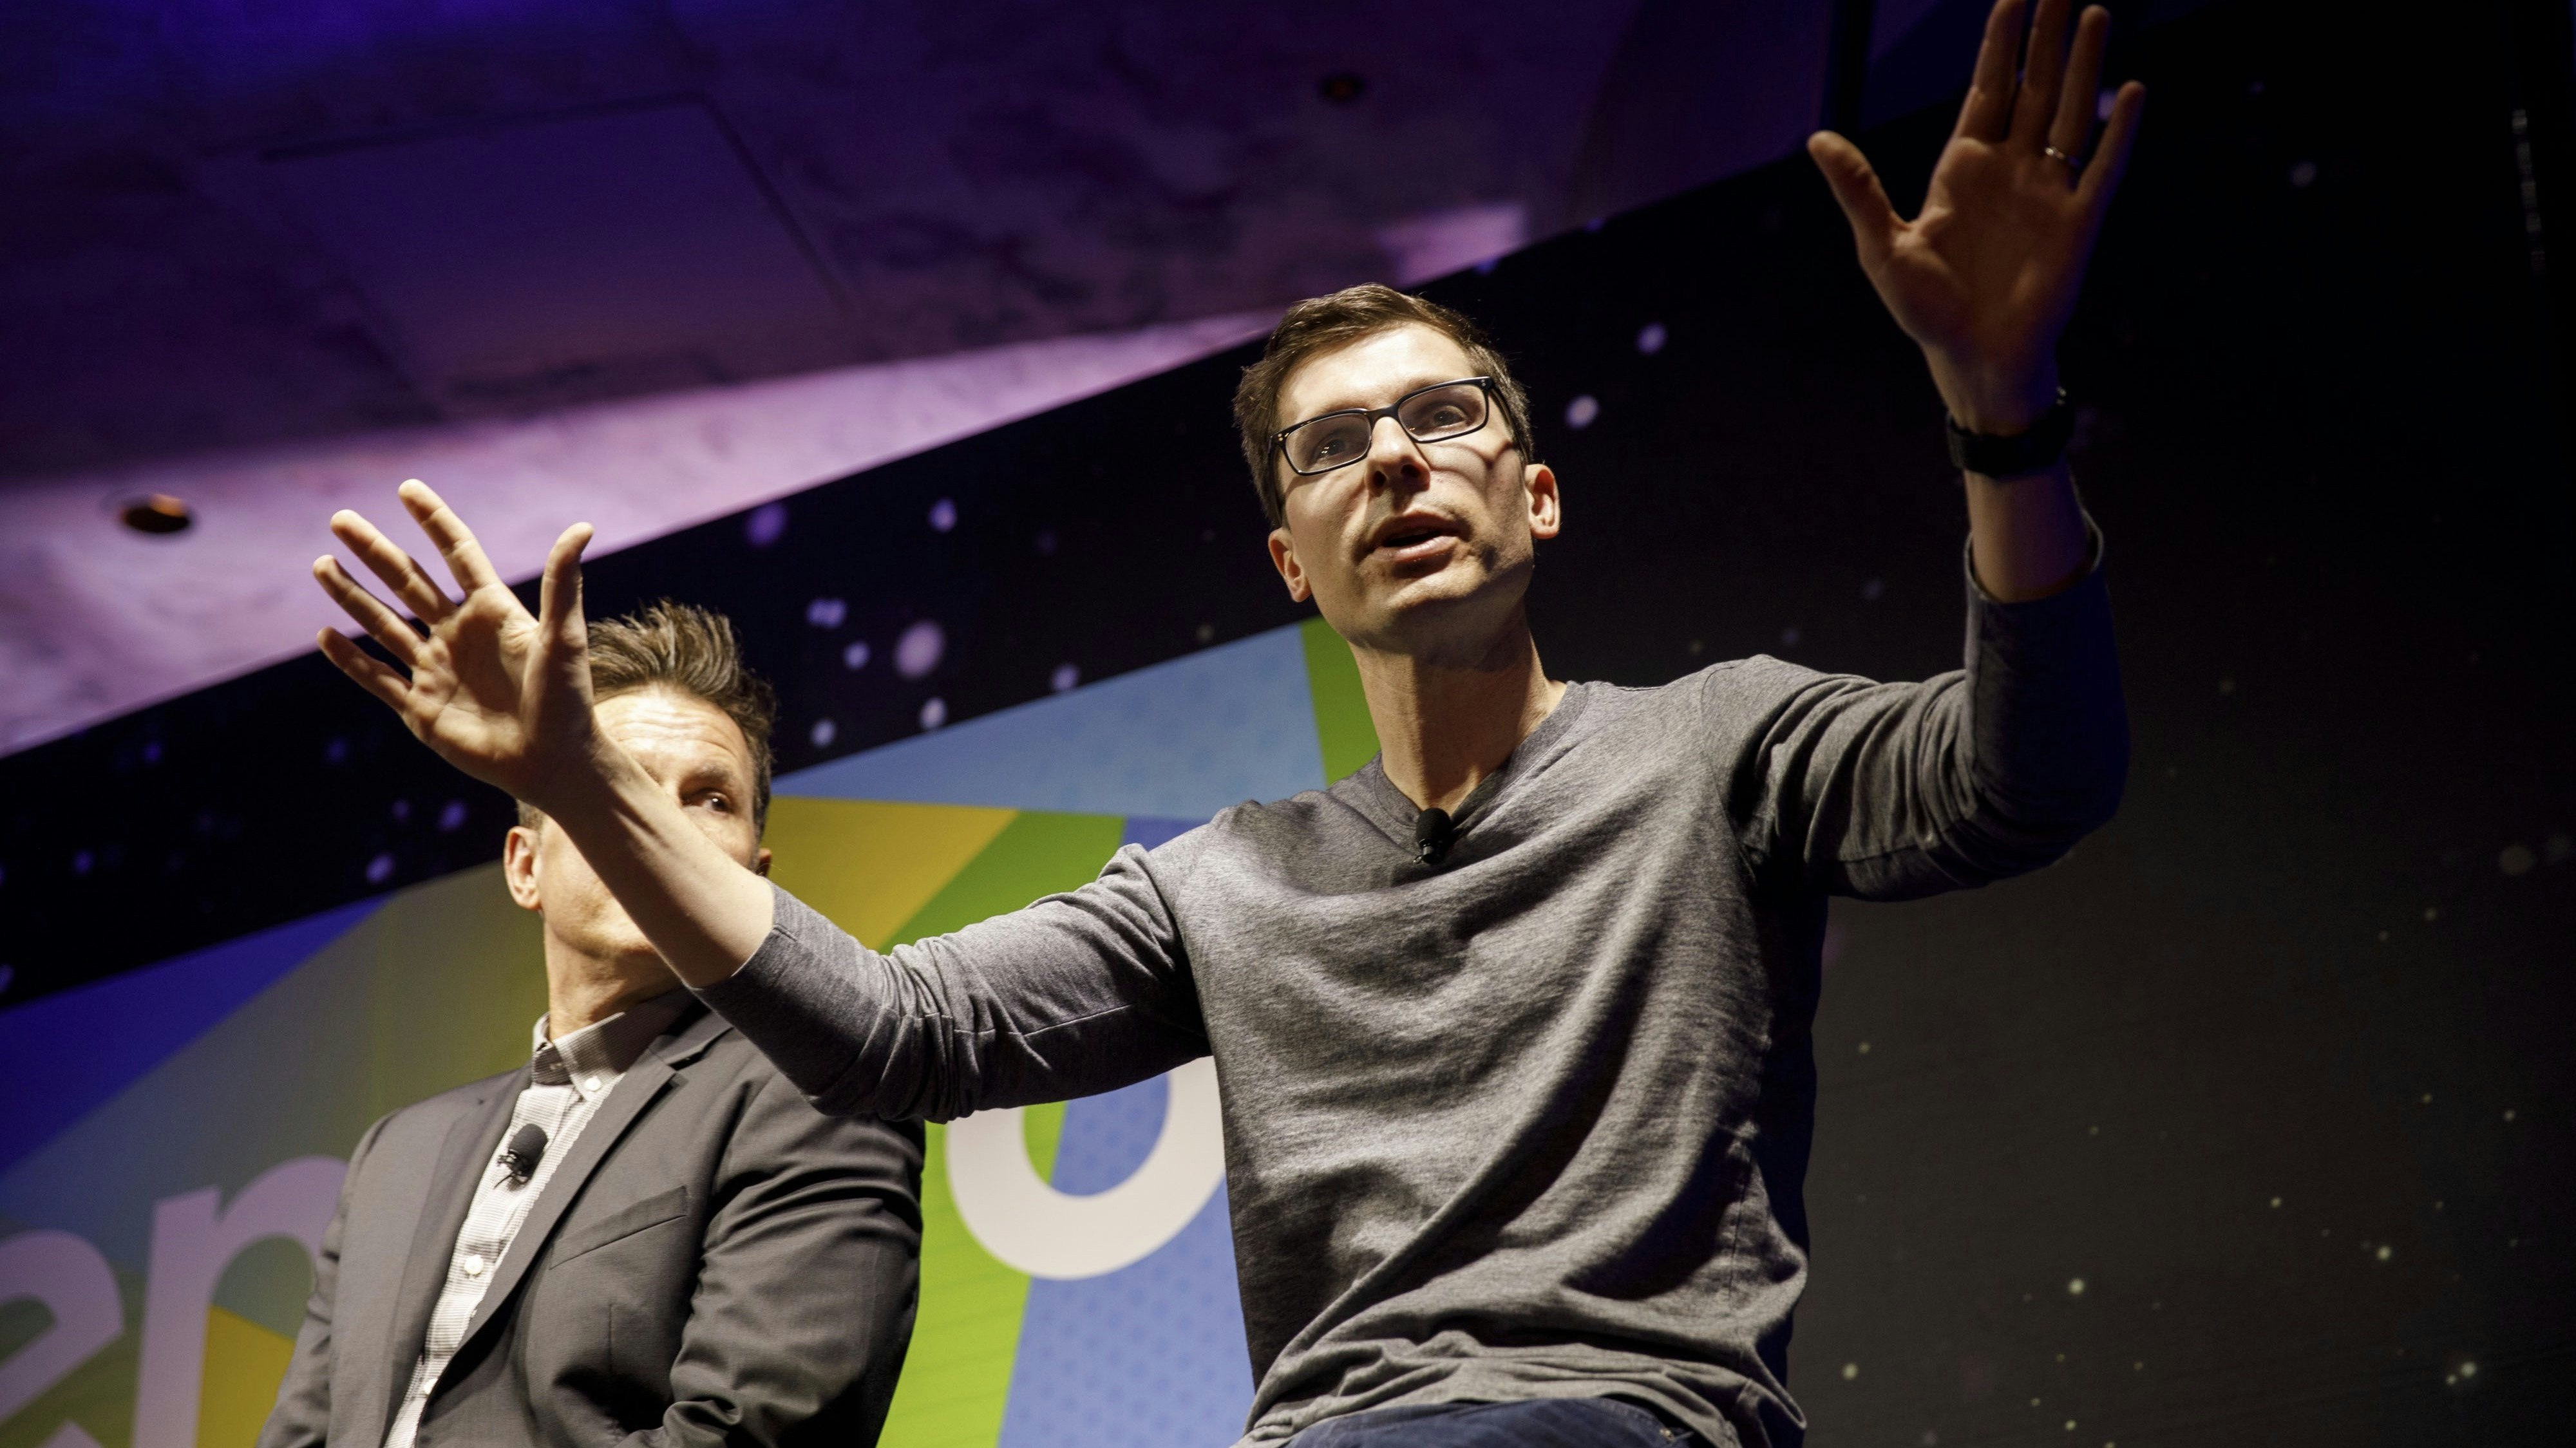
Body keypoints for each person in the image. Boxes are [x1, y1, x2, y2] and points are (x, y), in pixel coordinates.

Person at [305, 1, 2141, 1442]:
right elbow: (893, 1033)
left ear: (1536, 493)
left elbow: (2031, 775)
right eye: (1332, 447)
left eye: (1444, 416)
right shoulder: (1228, 887)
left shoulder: (1720, 746)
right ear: (1289, 562)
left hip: (1623, 1417)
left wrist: (2002, 406)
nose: (1396, 461)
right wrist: (578, 778)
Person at [258, 604, 922, 1448]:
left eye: (711, 799)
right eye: (613, 784)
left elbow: (753, 1433)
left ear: (754, 882)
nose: (660, 826)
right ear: (525, 867)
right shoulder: (396, 1152)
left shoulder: (819, 1091)